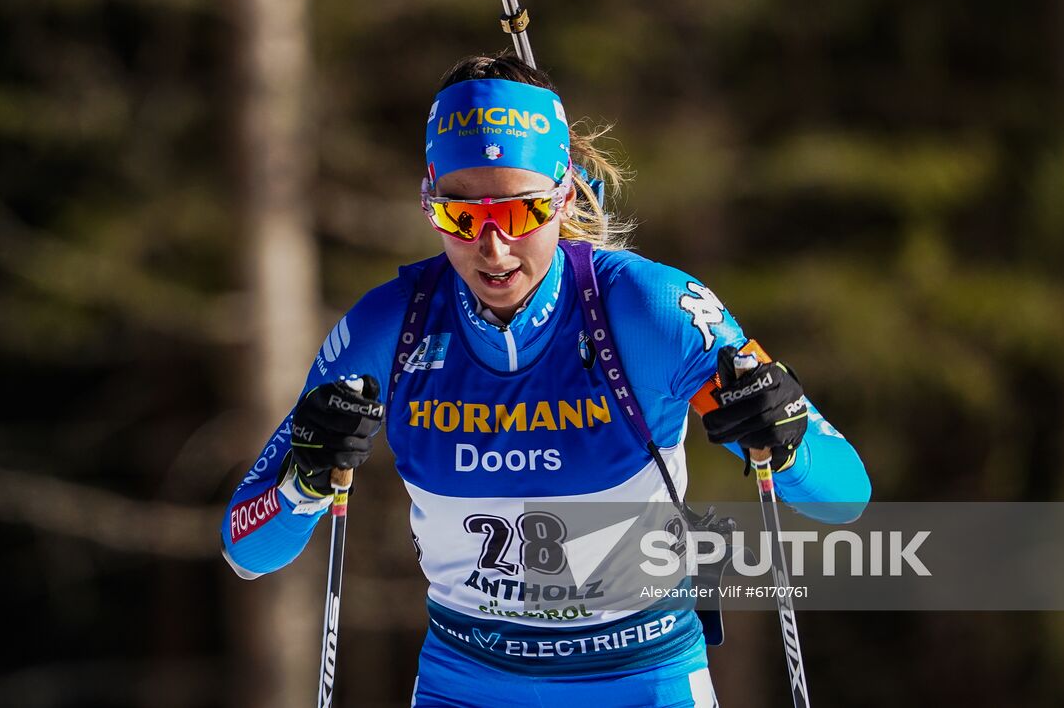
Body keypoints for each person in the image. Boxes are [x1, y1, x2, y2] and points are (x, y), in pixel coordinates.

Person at [221, 54, 871, 707]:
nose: (494, 248)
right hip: (469, 683)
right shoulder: (393, 327)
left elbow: (846, 496)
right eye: (461, 216)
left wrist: (786, 443)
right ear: (429, 200)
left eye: (522, 213)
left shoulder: (648, 313)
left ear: (564, 196)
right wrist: (303, 484)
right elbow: (244, 548)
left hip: (641, 679)